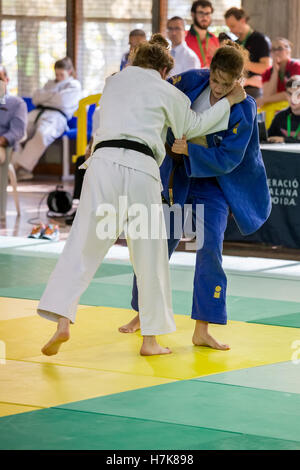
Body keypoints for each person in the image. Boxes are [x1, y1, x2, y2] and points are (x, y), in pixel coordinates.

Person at [37, 34, 245, 358]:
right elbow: (193, 125)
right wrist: (228, 103)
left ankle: (62, 318)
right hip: (141, 171)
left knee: (82, 243)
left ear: (136, 60)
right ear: (164, 69)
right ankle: (150, 340)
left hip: (102, 165)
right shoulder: (167, 91)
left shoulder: (113, 82)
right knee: (150, 256)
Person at [124, 41, 271, 351]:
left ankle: (202, 328)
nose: (218, 88)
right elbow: (158, 87)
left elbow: (231, 156)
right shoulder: (192, 79)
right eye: (215, 79)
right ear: (210, 68)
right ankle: (142, 313)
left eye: (225, 84)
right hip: (179, 176)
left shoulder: (244, 107)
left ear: (238, 79)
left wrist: (192, 150)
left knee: (209, 251)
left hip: (214, 184)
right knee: (157, 244)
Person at [12, 57, 81, 181]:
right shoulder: (49, 83)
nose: (58, 77)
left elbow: (63, 101)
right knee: (16, 132)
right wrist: (54, 95)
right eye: (56, 74)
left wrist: (45, 96)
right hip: (37, 112)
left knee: (42, 135)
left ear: (70, 72)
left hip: (57, 117)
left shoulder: (74, 85)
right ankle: (12, 168)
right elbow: (35, 98)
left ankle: (21, 169)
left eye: (62, 74)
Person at [225, 7, 271, 99]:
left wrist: (241, 63)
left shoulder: (260, 39)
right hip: (235, 89)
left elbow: (266, 68)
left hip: (254, 92)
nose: (231, 30)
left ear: (242, 21)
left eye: (233, 26)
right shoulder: (236, 42)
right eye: (229, 27)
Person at [257, 38, 300, 108]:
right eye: (273, 50)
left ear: (288, 50)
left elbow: (292, 93)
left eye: (280, 49)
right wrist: (275, 72)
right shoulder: (268, 72)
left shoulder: (296, 66)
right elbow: (268, 94)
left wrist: (263, 100)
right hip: (277, 109)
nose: (276, 52)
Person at [0, 65, 27, 165]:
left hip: (3, 147)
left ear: (7, 80)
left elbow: (17, 132)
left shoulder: (17, 104)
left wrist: (2, 140)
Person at [185, 1, 219, 68]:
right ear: (193, 14)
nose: (205, 17)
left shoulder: (214, 39)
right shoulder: (184, 38)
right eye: (201, 13)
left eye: (208, 13)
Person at [268, 76, 300, 143]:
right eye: (290, 94)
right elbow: (267, 138)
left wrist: (284, 140)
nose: (292, 98)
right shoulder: (280, 116)